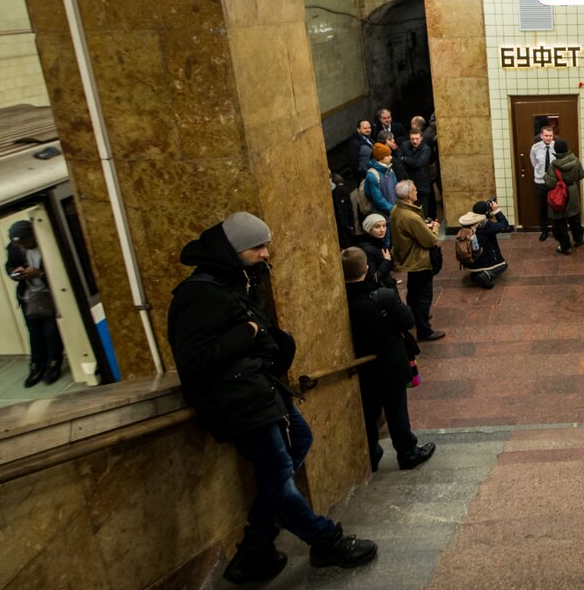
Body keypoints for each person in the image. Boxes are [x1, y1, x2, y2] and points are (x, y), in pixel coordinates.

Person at [167, 212, 377, 583]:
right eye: (257, 248)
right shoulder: (197, 295)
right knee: (279, 475)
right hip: (236, 401)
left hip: (258, 390)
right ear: (233, 251)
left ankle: (254, 549)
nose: (265, 253)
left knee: (297, 447)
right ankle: (325, 540)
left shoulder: (233, 279)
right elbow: (195, 363)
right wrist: (247, 331)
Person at [341, 247, 435, 472]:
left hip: (361, 366)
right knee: (396, 410)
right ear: (365, 268)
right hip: (389, 361)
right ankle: (408, 453)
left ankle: (371, 454)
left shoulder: (339, 303)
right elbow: (408, 319)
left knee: (370, 412)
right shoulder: (382, 296)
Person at [4, 220, 63, 387]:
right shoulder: (14, 248)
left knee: (51, 332)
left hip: (49, 295)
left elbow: (60, 269)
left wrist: (40, 273)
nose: (23, 245)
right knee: (34, 332)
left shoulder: (47, 244)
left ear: (33, 235)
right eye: (20, 243)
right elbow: (9, 267)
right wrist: (14, 273)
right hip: (28, 297)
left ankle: (54, 363)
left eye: (25, 241)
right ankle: (37, 366)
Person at [389, 180, 445, 342]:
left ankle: (415, 319)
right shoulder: (411, 216)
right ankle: (424, 329)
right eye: (414, 190)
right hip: (419, 260)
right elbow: (429, 240)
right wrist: (434, 227)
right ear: (407, 195)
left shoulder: (396, 211)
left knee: (413, 293)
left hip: (408, 258)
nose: (416, 192)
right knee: (423, 296)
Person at [458, 200, 512, 288]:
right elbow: (504, 226)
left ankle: (476, 273)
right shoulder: (485, 225)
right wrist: (496, 211)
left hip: (468, 260)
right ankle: (486, 274)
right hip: (482, 258)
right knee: (503, 266)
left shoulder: (467, 223)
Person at [545, 139, 584, 254]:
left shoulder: (553, 165)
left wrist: (545, 177)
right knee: (574, 217)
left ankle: (565, 246)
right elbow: (581, 175)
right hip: (572, 192)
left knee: (560, 221)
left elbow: (551, 183)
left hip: (559, 194)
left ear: (556, 150)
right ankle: (579, 239)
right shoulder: (576, 161)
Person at [400, 129, 434, 221]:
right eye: (412, 139)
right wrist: (411, 162)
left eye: (417, 139)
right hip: (408, 184)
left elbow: (419, 163)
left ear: (421, 138)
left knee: (422, 212)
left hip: (422, 185)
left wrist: (405, 159)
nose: (414, 141)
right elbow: (400, 160)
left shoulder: (426, 149)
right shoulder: (405, 145)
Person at [530, 125, 557, 241]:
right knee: (542, 207)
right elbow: (534, 163)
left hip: (553, 182)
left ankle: (556, 230)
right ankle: (544, 231)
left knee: (555, 207)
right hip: (540, 182)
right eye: (546, 136)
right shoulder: (535, 148)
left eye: (550, 136)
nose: (548, 138)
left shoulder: (556, 146)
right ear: (541, 136)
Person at [355, 213, 395, 288]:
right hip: (380, 291)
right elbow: (374, 278)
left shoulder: (379, 242)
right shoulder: (368, 250)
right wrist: (387, 261)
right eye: (377, 227)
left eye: (384, 226)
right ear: (369, 229)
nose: (382, 230)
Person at [363, 142, 399, 220]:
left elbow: (396, 189)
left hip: (394, 214)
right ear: (381, 157)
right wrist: (392, 209)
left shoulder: (390, 170)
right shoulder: (372, 175)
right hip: (381, 217)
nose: (391, 157)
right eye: (388, 155)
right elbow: (377, 199)